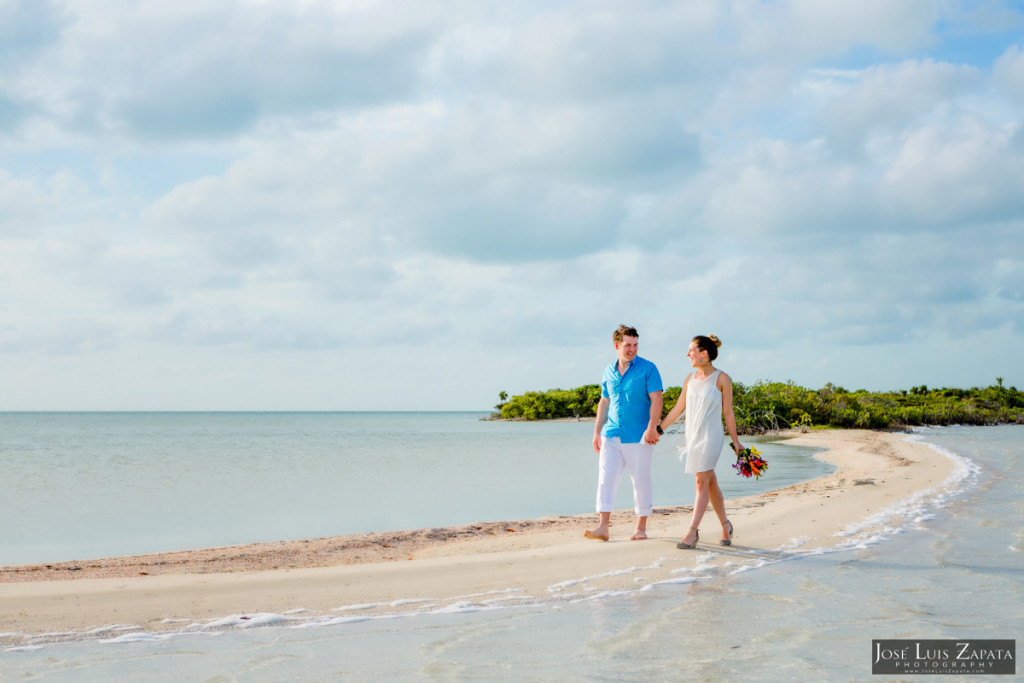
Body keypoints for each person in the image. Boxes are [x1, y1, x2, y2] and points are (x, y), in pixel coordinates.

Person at [658, 334, 743, 549]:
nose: (688, 354)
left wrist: (736, 442)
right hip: (693, 437)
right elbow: (678, 408)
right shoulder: (690, 378)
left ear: (703, 353)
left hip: (711, 437)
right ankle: (726, 525)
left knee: (699, 481)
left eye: (691, 350)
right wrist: (659, 429)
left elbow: (729, 413)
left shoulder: (722, 379)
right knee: (709, 483)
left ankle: (692, 532)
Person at [585, 325, 663, 542]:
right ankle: (602, 527)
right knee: (605, 479)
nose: (632, 349)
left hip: (639, 436)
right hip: (611, 435)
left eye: (635, 344)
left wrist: (651, 427)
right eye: (628, 345)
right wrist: (596, 432)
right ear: (617, 345)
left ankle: (640, 527)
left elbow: (657, 399)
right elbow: (604, 401)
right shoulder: (608, 370)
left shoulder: (648, 368)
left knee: (640, 481)